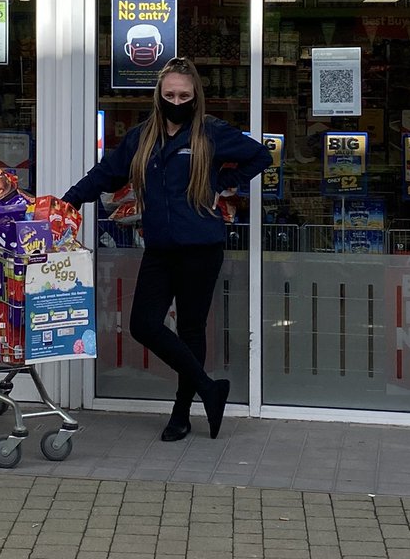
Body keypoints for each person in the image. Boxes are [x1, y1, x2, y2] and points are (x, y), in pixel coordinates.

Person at [63, 56, 271, 442]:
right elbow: (106, 174)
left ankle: (181, 414)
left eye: (184, 95)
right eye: (170, 94)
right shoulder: (142, 137)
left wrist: (223, 182)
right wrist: (68, 202)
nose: (177, 100)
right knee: (144, 324)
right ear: (158, 94)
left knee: (191, 329)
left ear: (196, 96)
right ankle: (210, 388)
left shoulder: (210, 133)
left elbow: (261, 155)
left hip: (201, 249)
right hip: (159, 249)